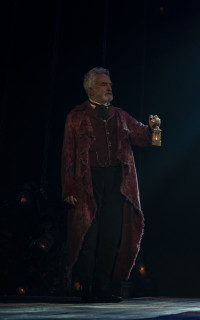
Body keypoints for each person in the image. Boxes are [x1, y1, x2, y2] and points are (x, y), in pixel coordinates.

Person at [61, 67, 161, 303]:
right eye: (104, 84)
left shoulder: (119, 115)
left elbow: (142, 136)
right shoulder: (76, 116)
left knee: (111, 237)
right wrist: (69, 189)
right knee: (88, 237)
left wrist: (153, 129)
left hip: (116, 182)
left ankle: (103, 287)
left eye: (110, 84)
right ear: (91, 88)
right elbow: (68, 154)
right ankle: (86, 289)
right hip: (88, 182)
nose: (109, 88)